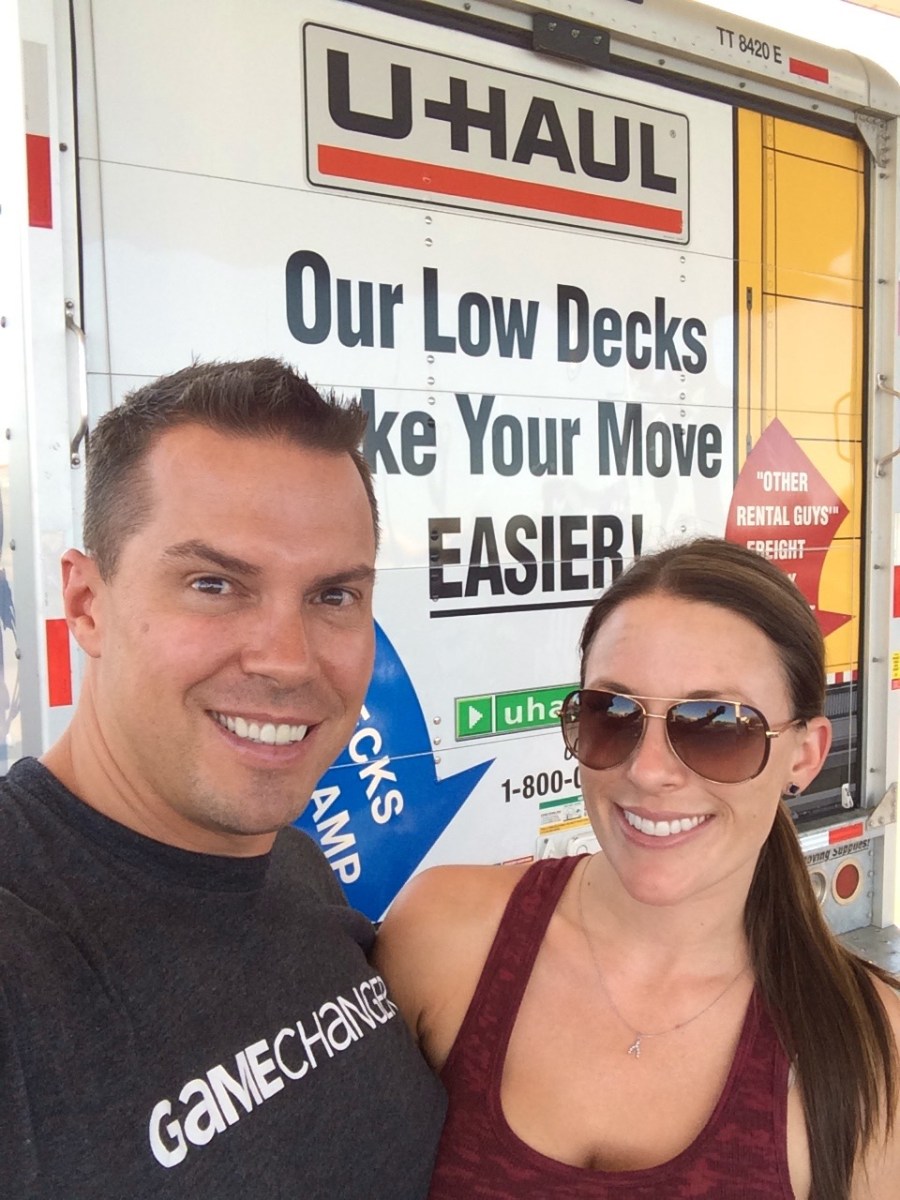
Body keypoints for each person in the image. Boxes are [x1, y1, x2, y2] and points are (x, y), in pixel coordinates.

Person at [0, 358, 445, 1199]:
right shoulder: (23, 954)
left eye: (333, 596)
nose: (287, 660)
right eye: (214, 584)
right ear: (87, 604)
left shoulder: (292, 862)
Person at [376, 537, 900, 1200]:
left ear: (804, 755)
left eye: (717, 724)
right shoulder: (443, 936)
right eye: (612, 714)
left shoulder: (871, 1055)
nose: (648, 771)